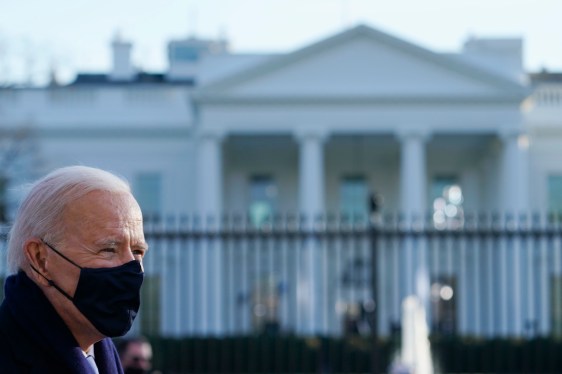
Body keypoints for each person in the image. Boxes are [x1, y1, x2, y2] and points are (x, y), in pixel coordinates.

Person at [0, 165, 148, 373]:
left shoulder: (103, 355)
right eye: (108, 249)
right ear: (41, 259)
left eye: (138, 251)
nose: (131, 266)